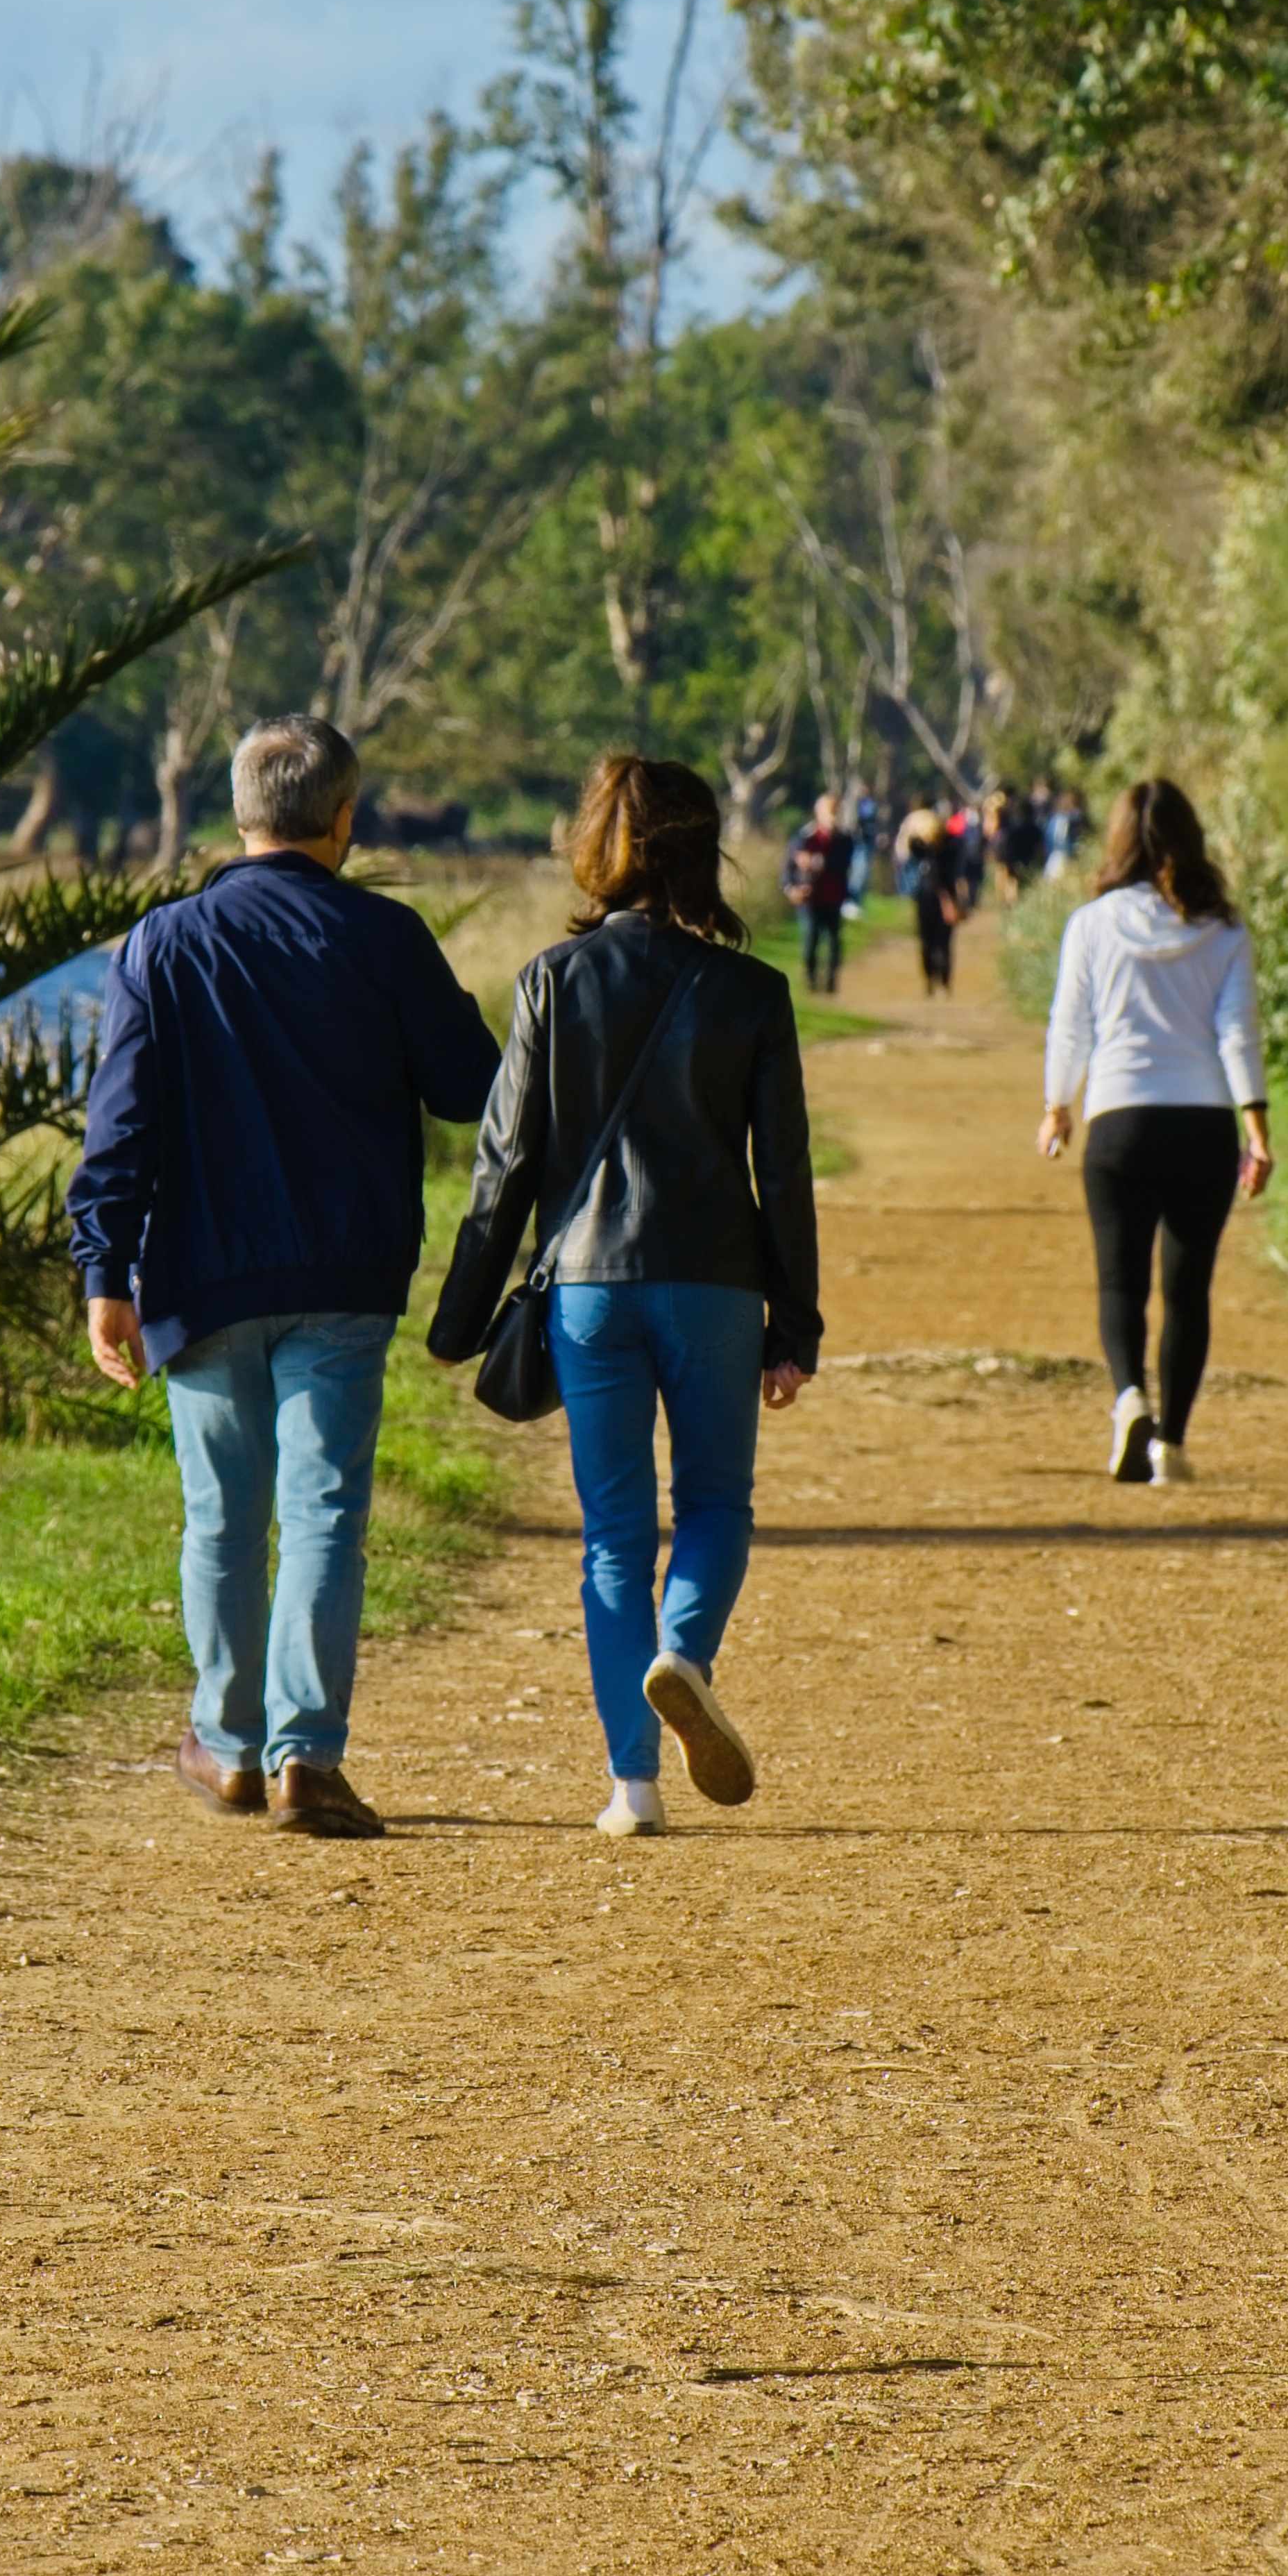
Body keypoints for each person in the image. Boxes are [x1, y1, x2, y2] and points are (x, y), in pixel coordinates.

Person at [71, 711, 500, 1840]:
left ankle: (224, 1743)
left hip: (200, 1276)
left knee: (220, 1516)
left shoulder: (161, 943)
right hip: (346, 1269)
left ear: (241, 813)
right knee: (324, 1510)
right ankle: (306, 1751)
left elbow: (117, 1127)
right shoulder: (387, 937)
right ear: (346, 817)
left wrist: (102, 1269)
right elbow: (471, 1086)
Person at [429, 754, 824, 1838]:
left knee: (612, 1536)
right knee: (714, 1506)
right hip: (714, 1288)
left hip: (589, 1292)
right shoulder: (755, 992)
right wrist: (798, 1325)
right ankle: (684, 1656)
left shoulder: (552, 981)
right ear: (705, 850)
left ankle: (632, 1789)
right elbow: (781, 1174)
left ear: (595, 848)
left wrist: (459, 1321)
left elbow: (505, 1165)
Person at [1037, 777, 1269, 1486]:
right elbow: (1236, 1034)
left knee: (1121, 1282)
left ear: (1116, 841)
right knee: (1187, 1290)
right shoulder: (1223, 931)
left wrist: (1057, 1105)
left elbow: (1068, 1025)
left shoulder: (1091, 923)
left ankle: (1128, 1398)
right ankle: (1169, 1444)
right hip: (1202, 1125)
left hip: (1118, 1121)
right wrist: (1255, 1127)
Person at [784, 790, 861, 997]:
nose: (833, 815)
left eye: (835, 811)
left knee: (835, 941)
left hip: (834, 897)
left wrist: (816, 862)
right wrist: (791, 888)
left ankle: (831, 982)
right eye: (829, 810)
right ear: (818, 812)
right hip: (810, 899)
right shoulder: (803, 837)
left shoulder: (845, 839)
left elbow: (843, 864)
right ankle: (811, 981)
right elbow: (788, 869)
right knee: (811, 939)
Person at [895, 796, 963, 997]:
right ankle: (930, 979)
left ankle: (944, 979)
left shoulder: (950, 847)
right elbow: (904, 849)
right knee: (927, 941)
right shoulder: (919, 849)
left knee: (944, 942)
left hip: (945, 900)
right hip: (925, 899)